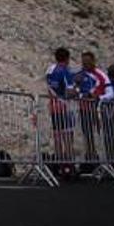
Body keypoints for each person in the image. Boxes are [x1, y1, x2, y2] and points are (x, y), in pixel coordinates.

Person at [73, 50, 110, 171]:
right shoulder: (79, 75)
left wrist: (97, 96)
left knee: (101, 134)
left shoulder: (101, 74)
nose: (85, 64)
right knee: (88, 135)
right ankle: (91, 157)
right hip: (84, 109)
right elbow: (74, 90)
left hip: (99, 109)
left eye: (88, 62)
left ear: (93, 61)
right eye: (84, 62)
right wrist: (78, 93)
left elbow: (110, 92)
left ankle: (106, 159)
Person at [45, 47, 79, 177]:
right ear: (67, 59)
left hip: (53, 106)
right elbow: (69, 91)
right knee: (68, 138)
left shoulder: (49, 70)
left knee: (57, 137)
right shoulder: (65, 71)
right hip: (64, 106)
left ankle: (59, 165)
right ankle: (69, 166)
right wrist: (77, 91)